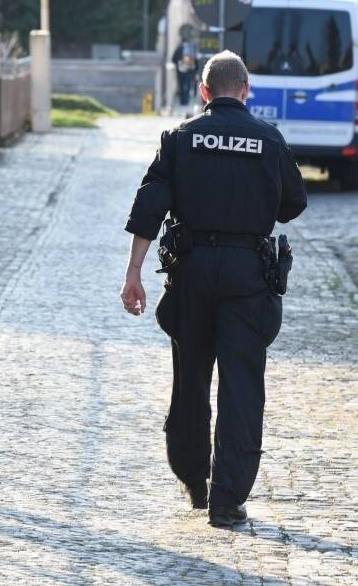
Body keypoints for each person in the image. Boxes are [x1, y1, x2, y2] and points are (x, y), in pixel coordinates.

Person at [120, 51, 307, 528]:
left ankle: (192, 480)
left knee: (191, 380)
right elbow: (293, 205)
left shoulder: (180, 138)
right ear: (246, 91)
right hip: (247, 276)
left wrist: (134, 273)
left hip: (192, 271)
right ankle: (228, 498)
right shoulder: (268, 139)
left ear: (203, 92)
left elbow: (149, 206)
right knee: (242, 386)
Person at [172, 38, 199, 107]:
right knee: (188, 85)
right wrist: (195, 70)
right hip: (190, 71)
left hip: (180, 70)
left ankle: (182, 101)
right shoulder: (191, 48)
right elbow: (196, 60)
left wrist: (178, 64)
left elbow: (173, 59)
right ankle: (186, 101)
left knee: (181, 85)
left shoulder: (179, 48)